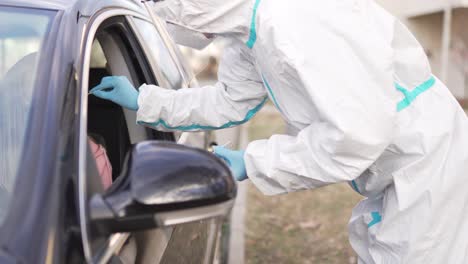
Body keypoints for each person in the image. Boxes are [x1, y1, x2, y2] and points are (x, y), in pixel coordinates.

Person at [90, 0, 468, 263]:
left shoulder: (298, 19)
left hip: (425, 160)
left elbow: (358, 135)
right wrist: (145, 101)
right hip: (389, 165)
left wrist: (254, 162)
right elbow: (228, 101)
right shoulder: (248, 28)